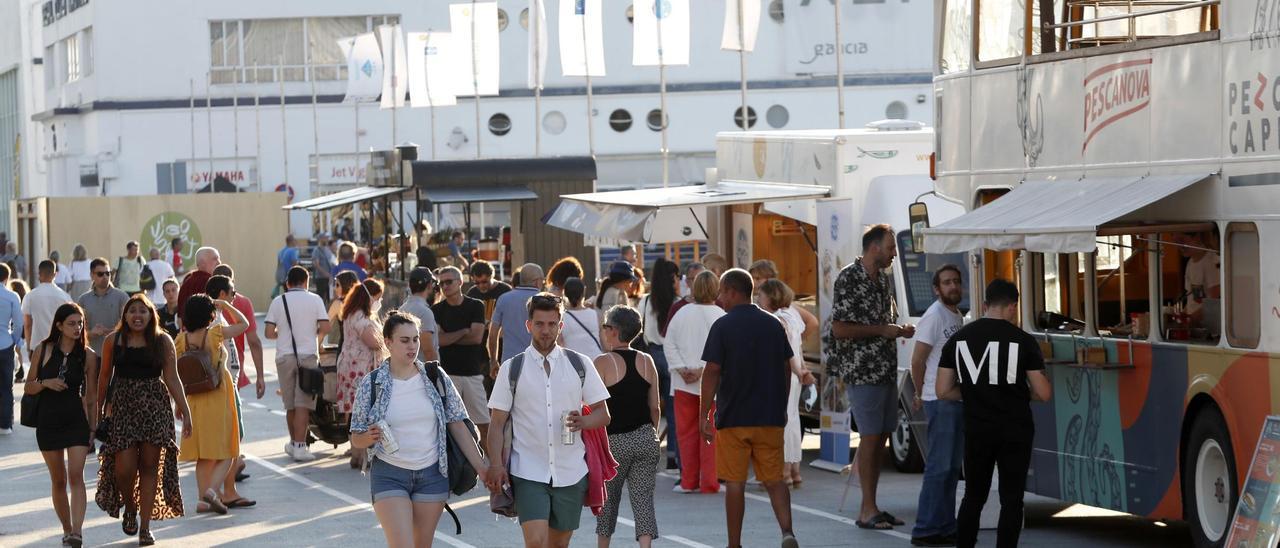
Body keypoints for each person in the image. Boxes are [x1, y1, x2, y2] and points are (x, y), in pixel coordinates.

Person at [349, 311, 489, 548]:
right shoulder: (372, 383)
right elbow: (356, 438)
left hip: (432, 475)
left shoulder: (435, 377)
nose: (412, 346)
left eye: (415, 339)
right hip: (390, 475)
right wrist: (368, 436)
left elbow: (457, 423)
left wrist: (482, 468)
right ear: (389, 342)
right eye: (404, 340)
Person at [485, 292, 612, 548]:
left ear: (560, 325)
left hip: (571, 470)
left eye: (552, 324)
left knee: (559, 544)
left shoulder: (580, 364)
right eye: (540, 324)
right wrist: (497, 465)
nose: (546, 330)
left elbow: (603, 414)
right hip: (528, 470)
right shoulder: (512, 368)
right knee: (536, 542)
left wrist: (584, 422)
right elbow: (496, 423)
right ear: (528, 325)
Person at [936, 279, 1052, 548]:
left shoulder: (959, 339)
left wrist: (975, 392)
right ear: (1013, 307)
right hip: (1016, 430)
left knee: (974, 496)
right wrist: (1021, 393)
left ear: (985, 304)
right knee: (1012, 499)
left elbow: (943, 390)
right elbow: (1044, 392)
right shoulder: (1024, 341)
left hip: (977, 429)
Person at [698, 269, 799, 548]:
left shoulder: (723, 326)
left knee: (735, 482)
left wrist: (704, 415)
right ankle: (787, 532)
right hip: (769, 417)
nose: (719, 298)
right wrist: (782, 405)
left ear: (732, 291)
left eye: (721, 292)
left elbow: (712, 372)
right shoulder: (773, 324)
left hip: (734, 417)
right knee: (775, 480)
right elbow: (786, 368)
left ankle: (734, 544)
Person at [825, 224, 915, 530]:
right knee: (871, 436)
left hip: (885, 368)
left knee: (882, 436)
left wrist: (898, 330)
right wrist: (881, 330)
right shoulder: (849, 277)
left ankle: (872, 505)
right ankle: (866, 510)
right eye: (890, 248)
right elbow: (839, 328)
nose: (893, 254)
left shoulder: (883, 280)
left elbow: (883, 322)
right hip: (862, 371)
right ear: (874, 247)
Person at [95, 294, 191, 546]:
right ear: (125, 316)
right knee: (124, 469)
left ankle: (145, 528)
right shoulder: (113, 341)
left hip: (155, 409)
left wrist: (186, 411)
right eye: (132, 311)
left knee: (149, 468)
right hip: (123, 408)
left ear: (151, 315)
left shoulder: (163, 341)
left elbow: (172, 378)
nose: (137, 315)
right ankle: (129, 507)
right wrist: (98, 412)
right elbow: (104, 378)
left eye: (143, 311)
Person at [22, 303, 98, 548]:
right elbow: (29, 386)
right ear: (59, 326)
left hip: (76, 420)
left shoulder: (87, 355)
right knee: (58, 480)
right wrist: (47, 382)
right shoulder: (43, 349)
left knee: (77, 476)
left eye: (80, 323)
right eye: (71, 323)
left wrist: (93, 427)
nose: (77, 328)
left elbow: (92, 396)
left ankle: (77, 532)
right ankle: (66, 529)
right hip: (48, 421)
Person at [907, 264, 967, 547]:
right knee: (939, 467)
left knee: (952, 467)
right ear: (936, 288)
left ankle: (944, 526)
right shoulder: (934, 316)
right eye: (947, 282)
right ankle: (925, 529)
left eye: (956, 281)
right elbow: (917, 360)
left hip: (954, 398)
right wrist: (919, 393)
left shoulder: (956, 314)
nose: (953, 286)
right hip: (938, 399)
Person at [177, 293, 250, 516]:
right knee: (228, 450)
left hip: (194, 400)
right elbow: (243, 324)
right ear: (209, 314)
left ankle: (202, 500)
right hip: (218, 395)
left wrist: (178, 404)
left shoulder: (180, 340)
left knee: (203, 454)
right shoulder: (215, 333)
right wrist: (226, 305)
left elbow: (175, 374)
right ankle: (211, 491)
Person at [594, 305, 661, 547]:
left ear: (612, 330)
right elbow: (655, 407)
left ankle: (603, 546)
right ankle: (645, 545)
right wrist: (651, 432)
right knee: (643, 499)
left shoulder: (602, 362)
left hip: (613, 442)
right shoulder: (646, 360)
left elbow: (593, 406)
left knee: (608, 501)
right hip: (645, 437)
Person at [664, 270, 725, 494]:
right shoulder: (721, 315)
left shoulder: (681, 313)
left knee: (686, 434)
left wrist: (682, 368)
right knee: (710, 434)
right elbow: (724, 351)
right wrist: (702, 370)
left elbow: (668, 344)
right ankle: (710, 482)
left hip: (682, 384)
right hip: (713, 386)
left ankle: (688, 481)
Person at [265, 266, 332, 462]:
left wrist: (283, 334)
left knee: (291, 405)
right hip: (308, 357)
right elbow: (326, 327)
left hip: (284, 357)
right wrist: (312, 335)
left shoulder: (279, 301)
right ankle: (300, 447)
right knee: (303, 404)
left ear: (287, 283)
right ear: (306, 282)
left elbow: (269, 333)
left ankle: (294, 443)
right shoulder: (315, 300)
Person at [757, 279, 817, 487]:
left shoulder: (775, 320)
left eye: (761, 295)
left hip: (781, 373)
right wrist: (801, 370)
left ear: (771, 297)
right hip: (793, 374)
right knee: (792, 420)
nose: (758, 299)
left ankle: (783, 472)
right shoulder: (791, 315)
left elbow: (786, 351)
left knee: (780, 422)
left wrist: (796, 369)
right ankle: (794, 471)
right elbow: (797, 348)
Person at [431, 266, 491, 446]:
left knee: (483, 423)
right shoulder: (436, 310)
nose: (445, 286)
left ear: (460, 282)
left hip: (473, 373)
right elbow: (439, 341)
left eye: (449, 281)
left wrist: (451, 336)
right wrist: (464, 331)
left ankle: (493, 465)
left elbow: (477, 337)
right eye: (441, 283)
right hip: (448, 374)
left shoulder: (475, 306)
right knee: (451, 424)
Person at [338, 279, 386, 468]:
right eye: (377, 297)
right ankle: (359, 454)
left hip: (350, 367)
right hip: (359, 369)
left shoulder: (352, 313)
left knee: (352, 409)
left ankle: (356, 452)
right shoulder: (360, 317)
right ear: (369, 296)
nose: (378, 301)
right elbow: (372, 342)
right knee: (362, 409)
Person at [638, 258, 681, 470]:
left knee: (650, 409)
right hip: (672, 357)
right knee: (673, 410)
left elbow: (639, 330)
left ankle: (646, 455)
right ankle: (673, 456)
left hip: (650, 356)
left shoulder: (645, 301)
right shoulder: (679, 303)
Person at [211, 264, 265, 397]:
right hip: (234, 364)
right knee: (232, 410)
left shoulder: (204, 302)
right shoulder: (243, 302)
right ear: (232, 282)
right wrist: (260, 376)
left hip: (208, 367)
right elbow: (254, 342)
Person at [487, 263, 543, 378]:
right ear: (537, 281)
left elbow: (492, 334)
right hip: (540, 362)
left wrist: (493, 360)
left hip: (510, 363)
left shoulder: (504, 299)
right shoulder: (545, 300)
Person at [749, 259, 820, 340]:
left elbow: (813, 322)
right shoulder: (753, 300)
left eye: (758, 278)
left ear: (770, 279)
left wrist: (796, 340)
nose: (753, 282)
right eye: (751, 278)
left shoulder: (780, 302)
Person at [24, 260, 73, 370]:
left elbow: (27, 324)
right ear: (55, 274)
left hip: (37, 345)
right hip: (59, 345)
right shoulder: (65, 297)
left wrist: (28, 346)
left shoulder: (30, 296)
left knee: (37, 380)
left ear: (39, 274)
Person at [78, 257, 130, 355]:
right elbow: (78, 330)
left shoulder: (122, 297)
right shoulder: (83, 300)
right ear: (92, 275)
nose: (105, 277)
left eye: (108, 273)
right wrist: (91, 333)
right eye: (100, 274)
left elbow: (129, 326)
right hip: (91, 355)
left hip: (116, 353)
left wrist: (110, 331)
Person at [398, 267, 439, 362]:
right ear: (429, 286)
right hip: (422, 371)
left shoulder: (402, 308)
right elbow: (428, 350)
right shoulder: (424, 312)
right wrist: (435, 375)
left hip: (408, 369)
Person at [0, 264, 22, 433]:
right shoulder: (12, 296)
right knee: (7, 386)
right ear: (6, 278)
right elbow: (18, 323)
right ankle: (5, 424)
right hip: (5, 344)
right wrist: (15, 341)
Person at [558, 278, 601, 357]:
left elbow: (559, 344)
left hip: (573, 363)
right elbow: (605, 344)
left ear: (565, 293)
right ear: (584, 291)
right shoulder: (594, 314)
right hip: (595, 362)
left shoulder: (561, 318)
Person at [177, 247, 220, 317]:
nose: (219, 262)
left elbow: (180, 317)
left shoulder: (186, 282)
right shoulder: (211, 283)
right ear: (202, 263)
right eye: (215, 259)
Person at [327, 271, 361, 344]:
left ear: (346, 285)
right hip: (364, 349)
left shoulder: (338, 304)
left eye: (337, 285)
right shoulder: (363, 301)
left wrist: (318, 346)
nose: (334, 288)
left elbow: (325, 327)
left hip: (345, 349)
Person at [10, 278, 28, 383]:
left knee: (16, 350)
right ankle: (20, 370)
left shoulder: (14, 299)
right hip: (23, 327)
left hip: (15, 326)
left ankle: (19, 370)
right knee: (18, 350)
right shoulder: (25, 299)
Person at [312, 233, 337, 304]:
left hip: (330, 279)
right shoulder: (316, 250)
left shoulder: (328, 250)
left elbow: (333, 263)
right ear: (320, 239)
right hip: (321, 279)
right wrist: (327, 275)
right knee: (320, 299)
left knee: (330, 299)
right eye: (325, 238)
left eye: (327, 238)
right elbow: (316, 265)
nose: (327, 239)